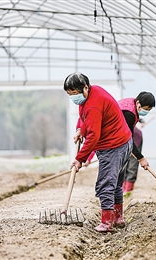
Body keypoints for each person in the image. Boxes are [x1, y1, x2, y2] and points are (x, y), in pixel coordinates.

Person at [64, 73, 132, 232]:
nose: (74, 97)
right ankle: (118, 218)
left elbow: (94, 136)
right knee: (115, 184)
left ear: (85, 87)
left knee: (106, 184)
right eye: (70, 94)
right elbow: (83, 115)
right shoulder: (93, 92)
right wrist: (80, 129)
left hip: (113, 147)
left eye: (75, 93)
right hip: (124, 142)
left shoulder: (93, 105)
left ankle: (107, 222)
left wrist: (80, 158)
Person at [122, 120, 144, 193]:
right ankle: (122, 187)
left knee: (132, 165)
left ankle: (129, 188)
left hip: (135, 140)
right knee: (123, 165)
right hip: (123, 141)